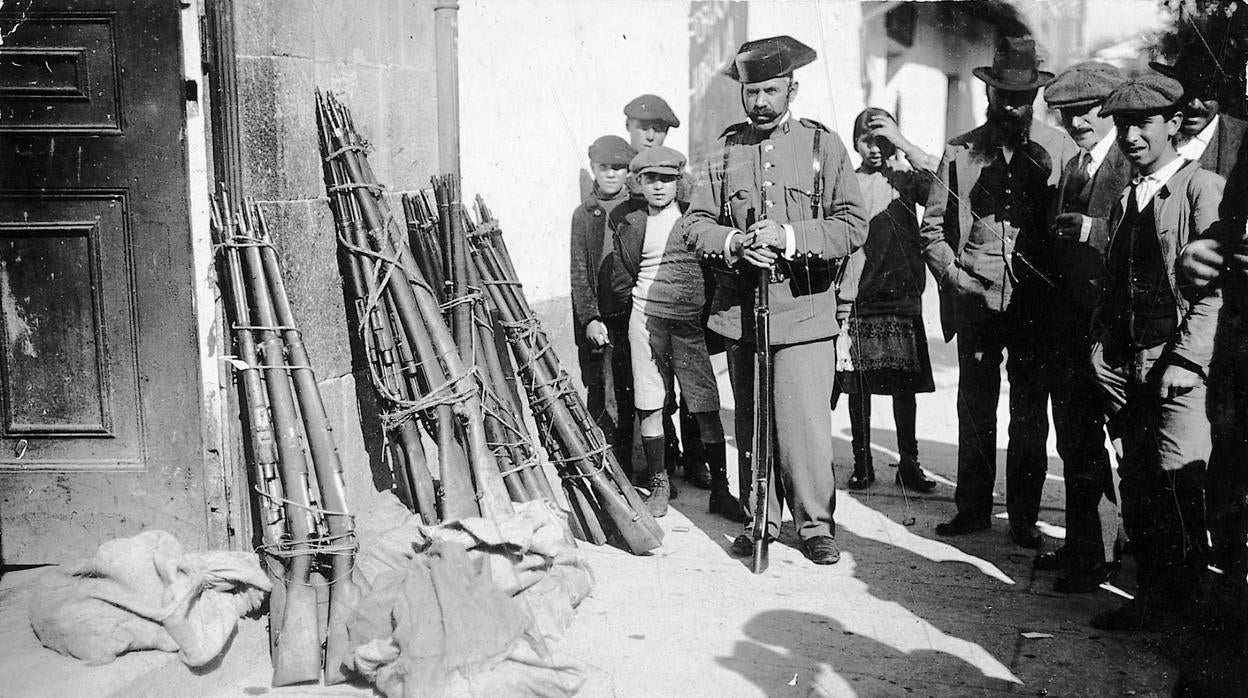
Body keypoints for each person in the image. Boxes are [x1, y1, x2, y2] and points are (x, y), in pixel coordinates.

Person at [681, 35, 868, 565]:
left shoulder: (822, 146)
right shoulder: (724, 148)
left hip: (805, 311)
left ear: (792, 88)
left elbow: (853, 225)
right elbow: (695, 224)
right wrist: (735, 243)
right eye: (751, 92)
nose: (760, 102)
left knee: (804, 426)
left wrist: (787, 237)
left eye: (770, 90)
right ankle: (760, 517)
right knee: (753, 421)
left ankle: (815, 525)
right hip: (743, 312)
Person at [919, 35, 1079, 548]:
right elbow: (932, 229)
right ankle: (971, 510)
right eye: (1003, 95)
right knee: (975, 405)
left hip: (1036, 302)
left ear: (1035, 97)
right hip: (975, 296)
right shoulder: (961, 150)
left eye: (1022, 97)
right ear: (987, 93)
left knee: (1029, 412)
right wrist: (955, 279)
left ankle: (1026, 519)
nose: (1012, 105)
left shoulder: (1061, 149)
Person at [1087, 74, 1224, 631]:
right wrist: (1100, 352)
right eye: (1122, 126)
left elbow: (1215, 290)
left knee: (1181, 485)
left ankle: (1192, 614)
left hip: (1176, 366)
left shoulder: (1201, 188)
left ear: (1173, 124)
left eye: (1143, 124)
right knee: (1138, 484)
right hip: (1126, 362)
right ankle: (1151, 600)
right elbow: (1115, 281)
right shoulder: (1125, 197)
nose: (1132, 136)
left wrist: (1188, 361)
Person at [1030, 61, 1130, 592]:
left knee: (1116, 449)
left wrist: (1092, 230)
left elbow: (1144, 236)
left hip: (1110, 332)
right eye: (1067, 114)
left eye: (1087, 111)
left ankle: (1108, 554)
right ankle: (1083, 548)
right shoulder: (1075, 166)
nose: (1076, 122)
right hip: (1070, 328)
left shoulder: (1127, 159)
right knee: (1076, 446)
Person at [607, 145, 738, 520]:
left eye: (667, 179)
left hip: (689, 324)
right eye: (651, 180)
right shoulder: (629, 220)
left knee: (705, 405)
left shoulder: (694, 217)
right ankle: (660, 483)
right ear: (640, 183)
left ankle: (721, 488)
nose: (659, 187)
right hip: (646, 322)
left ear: (678, 181)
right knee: (650, 402)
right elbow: (622, 276)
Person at [835, 107, 938, 494]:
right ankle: (863, 463)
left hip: (902, 295)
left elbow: (940, 189)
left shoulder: (907, 179)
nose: (875, 148)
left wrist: (904, 144)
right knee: (858, 386)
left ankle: (908, 464)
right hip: (862, 295)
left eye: (883, 139)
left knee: (904, 387)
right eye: (867, 139)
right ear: (855, 141)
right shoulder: (850, 182)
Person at [622, 93, 709, 489]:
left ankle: (696, 464)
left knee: (695, 395)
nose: (653, 136)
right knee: (648, 395)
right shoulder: (623, 193)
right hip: (643, 310)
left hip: (683, 307)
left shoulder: (686, 196)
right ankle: (658, 470)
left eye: (660, 129)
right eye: (645, 129)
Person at [570, 135, 638, 479]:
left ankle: (631, 465)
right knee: (599, 388)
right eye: (603, 168)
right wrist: (590, 318)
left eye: (618, 168)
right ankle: (603, 464)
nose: (611, 175)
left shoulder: (637, 210)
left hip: (633, 316)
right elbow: (579, 270)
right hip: (602, 318)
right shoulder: (583, 215)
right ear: (593, 169)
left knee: (631, 391)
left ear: (628, 171)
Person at [1150, 44, 1248, 179]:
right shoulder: (1147, 134)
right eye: (1186, 91)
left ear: (1221, 93)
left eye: (1206, 92)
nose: (1194, 105)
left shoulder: (1243, 138)